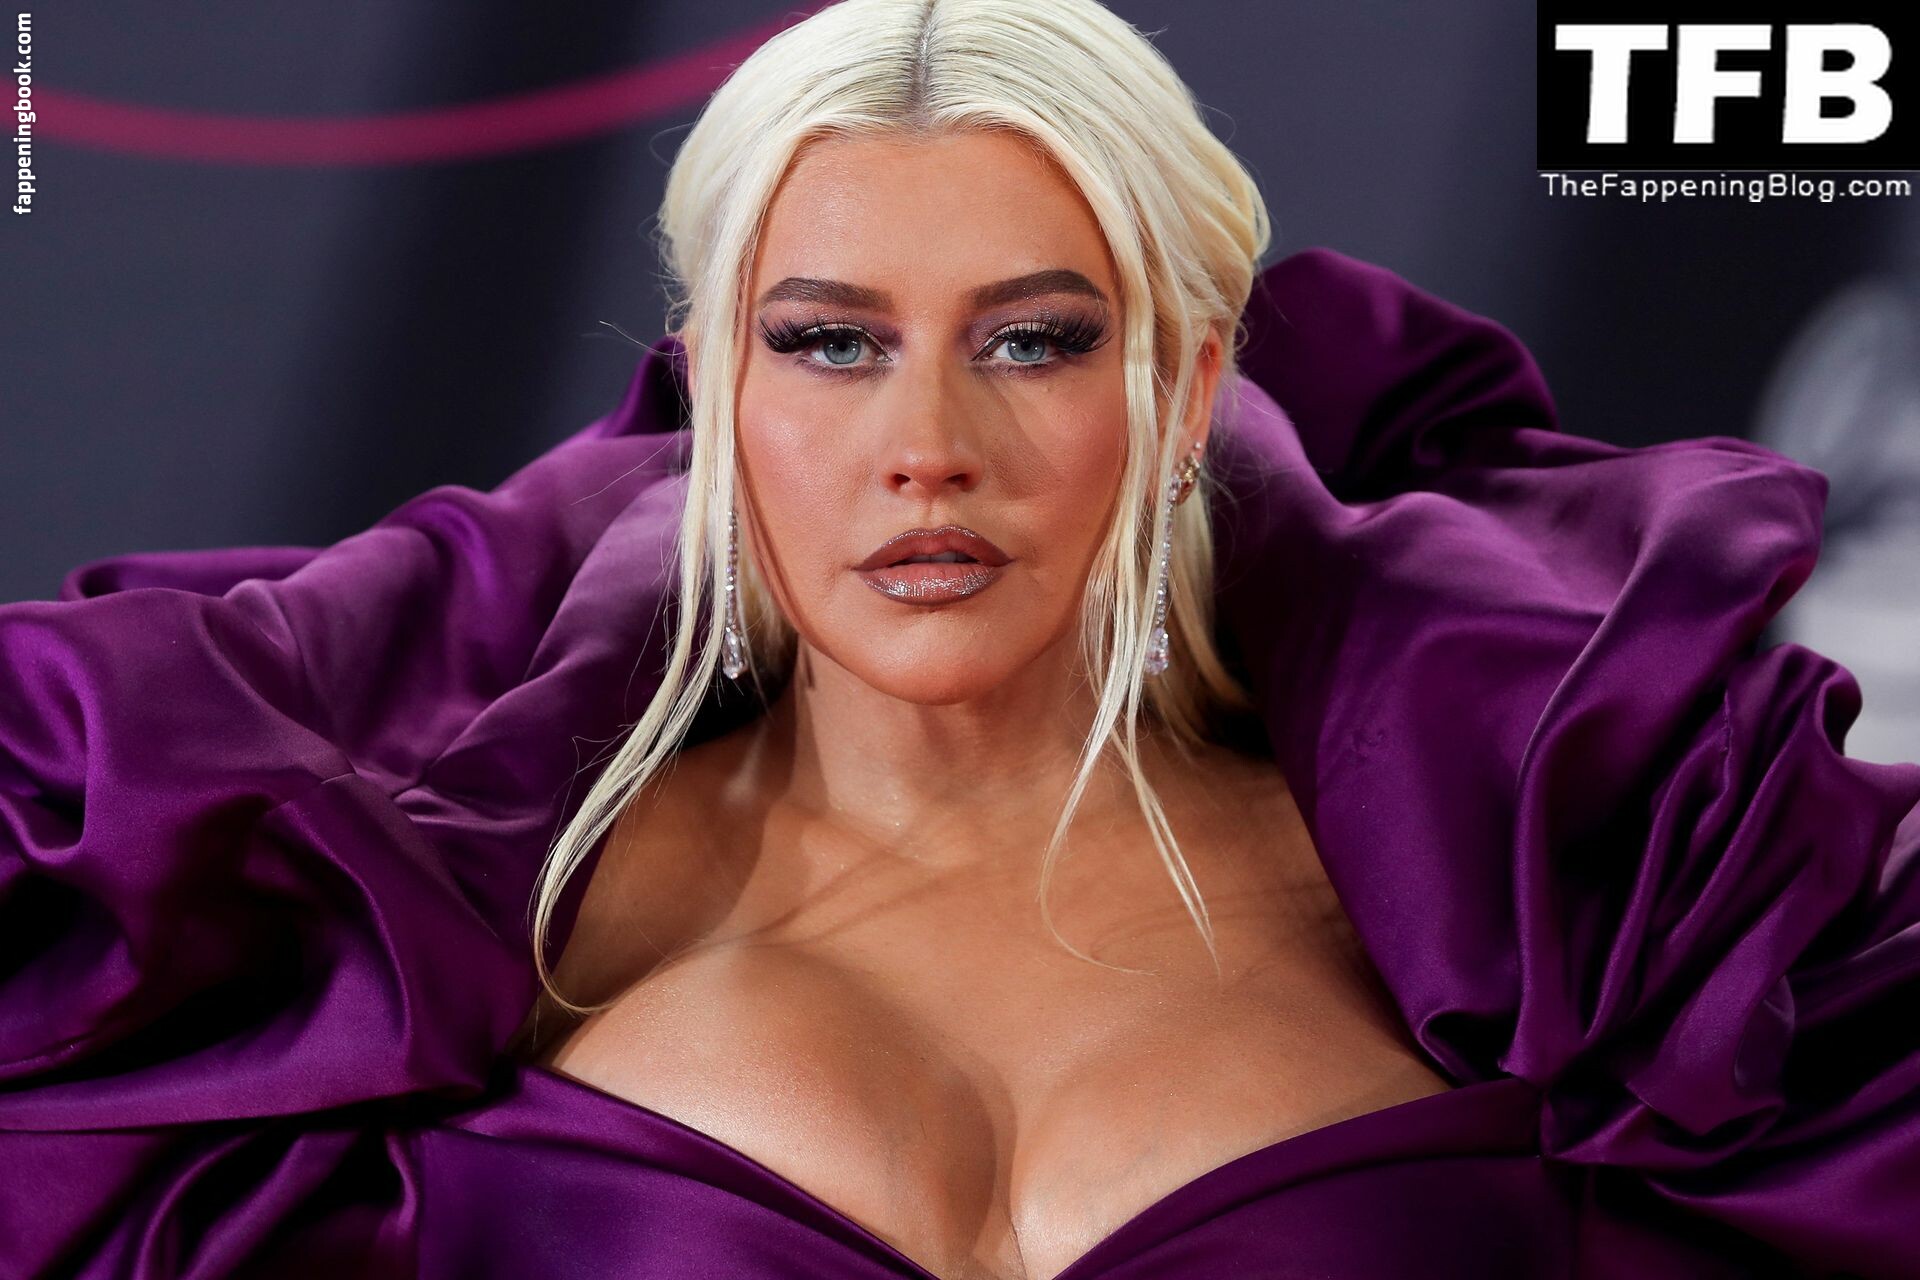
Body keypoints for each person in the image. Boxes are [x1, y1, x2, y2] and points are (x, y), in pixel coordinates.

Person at [4, 2, 1917, 1277]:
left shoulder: (1558, 924)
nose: (927, 445)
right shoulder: (454, 928)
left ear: (1187, 388)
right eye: (831, 341)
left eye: (1035, 341)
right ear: (715, 389)